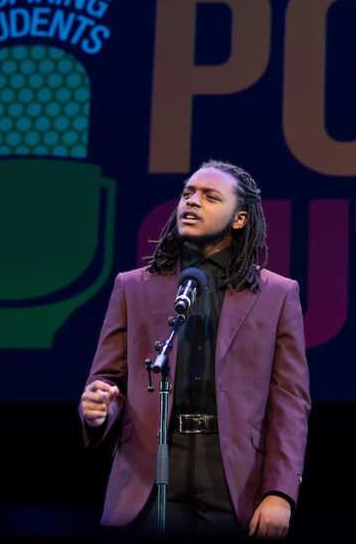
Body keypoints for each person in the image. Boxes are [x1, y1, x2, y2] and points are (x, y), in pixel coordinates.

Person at [78, 160, 310, 539]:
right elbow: (108, 379)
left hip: (234, 476)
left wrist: (279, 492)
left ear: (239, 219)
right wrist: (98, 409)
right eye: (187, 193)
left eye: (209, 196)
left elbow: (290, 402)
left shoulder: (278, 294)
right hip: (148, 473)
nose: (192, 201)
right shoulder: (133, 286)